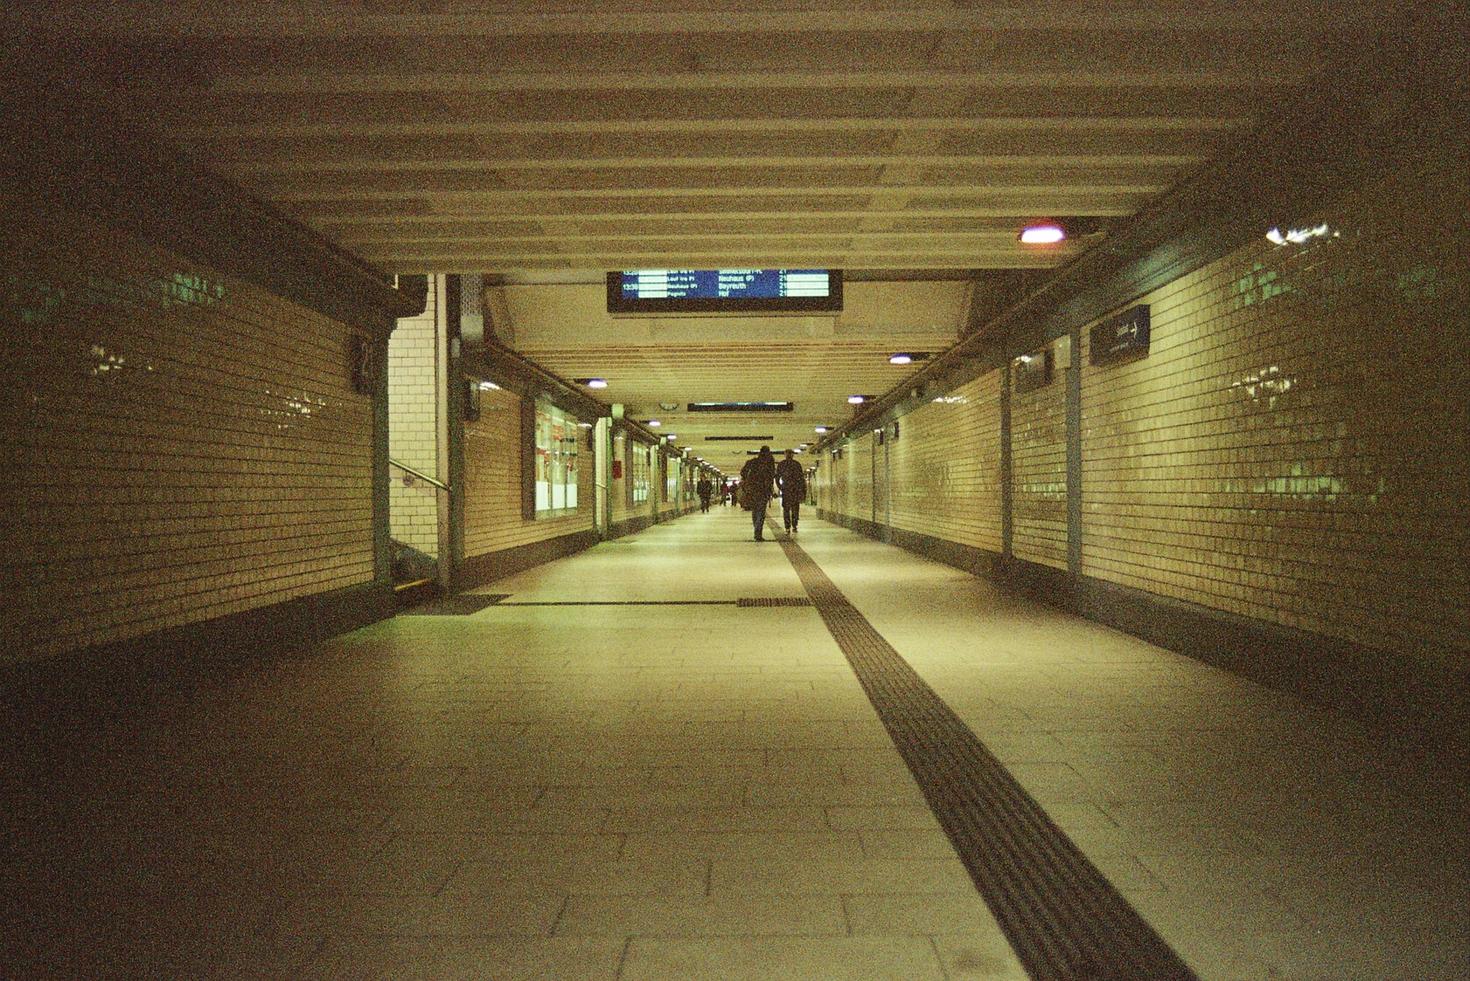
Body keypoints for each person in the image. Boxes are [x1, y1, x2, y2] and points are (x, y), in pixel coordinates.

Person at [739, 446, 777, 541]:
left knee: (755, 510)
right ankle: (758, 532)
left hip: (752, 490)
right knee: (761, 511)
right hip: (763, 490)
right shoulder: (769, 463)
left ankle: (757, 529)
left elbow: (742, 472)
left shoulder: (752, 462)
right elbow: (771, 477)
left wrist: (747, 480)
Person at [775, 449, 806, 534]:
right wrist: (802, 490)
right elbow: (801, 479)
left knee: (787, 509)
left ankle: (788, 527)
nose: (788, 455)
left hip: (787, 489)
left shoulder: (782, 464)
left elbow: (777, 477)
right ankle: (793, 526)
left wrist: (780, 487)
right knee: (794, 509)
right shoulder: (796, 464)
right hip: (794, 490)